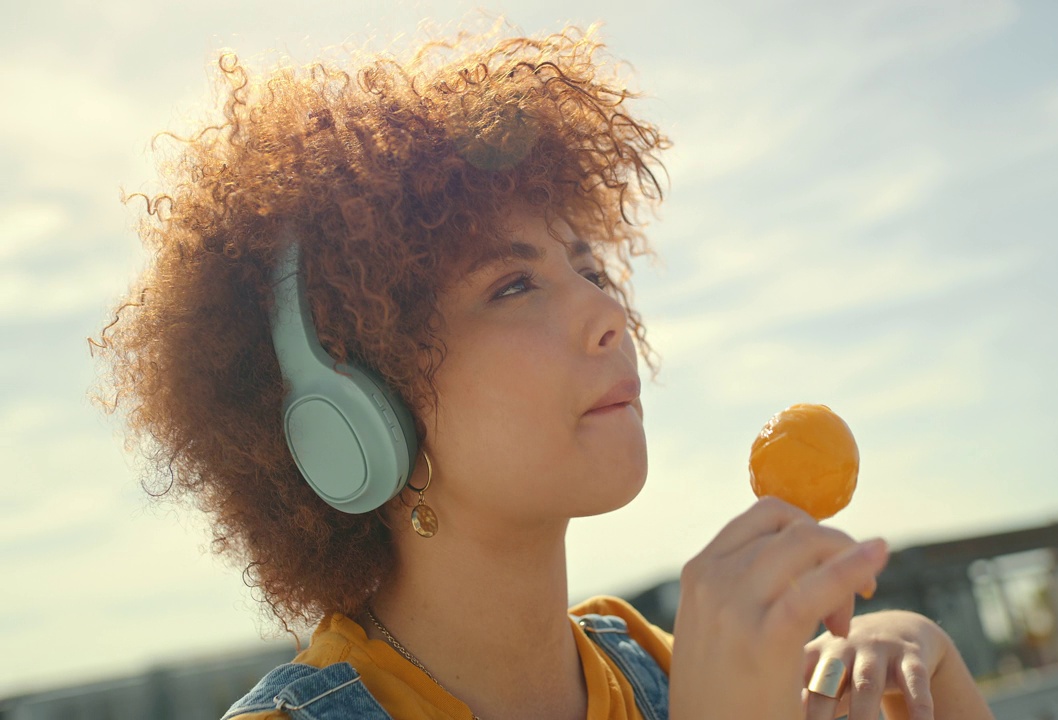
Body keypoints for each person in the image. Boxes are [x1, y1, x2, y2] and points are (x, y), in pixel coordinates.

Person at [93, 23, 995, 720]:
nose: (610, 315)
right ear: (358, 411)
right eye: (514, 283)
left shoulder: (662, 665)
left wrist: (925, 656)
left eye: (594, 269)